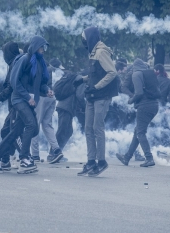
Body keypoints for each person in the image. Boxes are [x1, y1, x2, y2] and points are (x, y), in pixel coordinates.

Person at [0, 35, 52, 174]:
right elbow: (14, 82)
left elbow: (39, 84)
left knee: (18, 131)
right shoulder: (24, 59)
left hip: (29, 102)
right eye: (42, 47)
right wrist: (26, 97)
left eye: (45, 48)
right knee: (31, 125)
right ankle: (24, 159)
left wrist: (47, 90)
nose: (44, 50)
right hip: (18, 100)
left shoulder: (39, 64)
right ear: (35, 47)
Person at [74, 26, 118, 177]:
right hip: (92, 96)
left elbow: (112, 72)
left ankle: (101, 162)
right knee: (88, 128)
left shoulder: (101, 52)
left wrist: (97, 87)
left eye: (85, 38)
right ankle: (91, 161)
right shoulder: (93, 53)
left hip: (101, 96)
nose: (83, 41)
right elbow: (96, 74)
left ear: (91, 37)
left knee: (97, 128)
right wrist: (83, 79)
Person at [116, 58, 160, 167]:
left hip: (144, 106)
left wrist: (131, 100)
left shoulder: (136, 74)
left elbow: (139, 93)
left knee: (140, 133)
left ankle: (149, 158)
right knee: (138, 131)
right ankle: (127, 157)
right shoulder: (149, 74)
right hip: (154, 105)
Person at [0, 42, 21, 170]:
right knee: (6, 131)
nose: (3, 56)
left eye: (4, 52)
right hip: (14, 105)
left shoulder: (15, 64)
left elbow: (10, 87)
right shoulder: (14, 64)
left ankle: (26, 159)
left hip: (17, 105)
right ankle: (6, 161)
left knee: (15, 133)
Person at [30, 57, 63, 163]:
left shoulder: (41, 68)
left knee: (35, 124)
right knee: (47, 125)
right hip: (52, 97)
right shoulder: (53, 71)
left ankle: (35, 155)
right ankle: (57, 150)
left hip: (42, 97)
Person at [53, 60, 82, 150]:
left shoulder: (74, 78)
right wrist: (84, 106)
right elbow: (79, 95)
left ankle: (59, 150)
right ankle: (54, 152)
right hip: (66, 107)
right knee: (62, 130)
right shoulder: (80, 80)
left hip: (65, 107)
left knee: (68, 131)